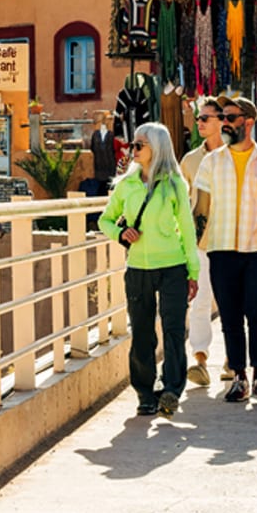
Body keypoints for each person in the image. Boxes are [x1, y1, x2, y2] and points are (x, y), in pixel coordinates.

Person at [98, 122, 200, 418]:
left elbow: (187, 229)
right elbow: (105, 220)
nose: (133, 150)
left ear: (157, 148)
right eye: (133, 145)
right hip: (138, 268)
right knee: (142, 333)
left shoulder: (174, 184)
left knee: (172, 330)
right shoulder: (125, 185)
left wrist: (192, 271)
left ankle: (171, 390)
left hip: (173, 267)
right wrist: (121, 234)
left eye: (139, 145)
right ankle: (145, 393)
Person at [192, 95, 257, 404]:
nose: (224, 122)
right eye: (222, 116)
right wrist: (190, 258)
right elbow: (200, 211)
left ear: (248, 121)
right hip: (220, 250)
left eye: (230, 116)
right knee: (231, 318)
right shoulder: (211, 162)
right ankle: (239, 377)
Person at [179, 98, 224, 385]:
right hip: (201, 243)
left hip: (234, 241)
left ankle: (234, 361)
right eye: (198, 118)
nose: (200, 122)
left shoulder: (235, 155)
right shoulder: (190, 160)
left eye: (206, 118)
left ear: (222, 121)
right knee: (199, 302)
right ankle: (199, 359)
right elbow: (184, 203)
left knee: (236, 305)